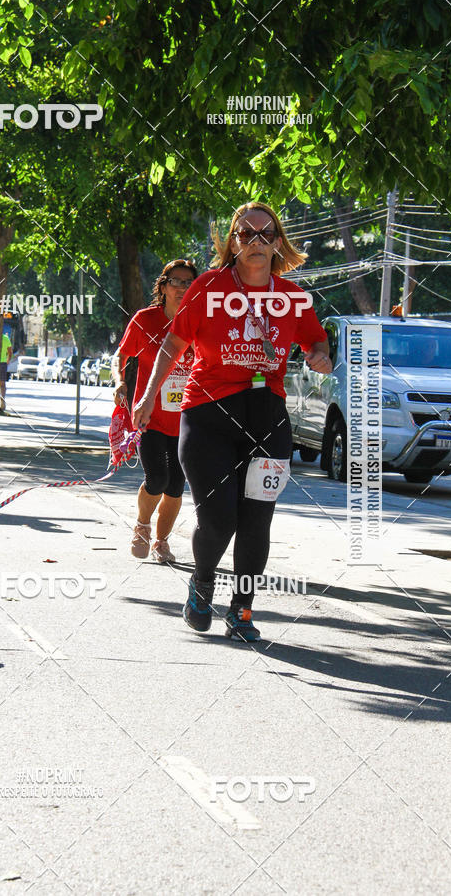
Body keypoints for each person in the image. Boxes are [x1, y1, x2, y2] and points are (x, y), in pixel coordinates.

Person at [133, 202, 330, 641]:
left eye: (265, 234)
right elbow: (173, 343)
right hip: (208, 417)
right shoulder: (208, 287)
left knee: (258, 519)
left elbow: (317, 340)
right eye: (246, 234)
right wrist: (147, 396)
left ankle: (241, 611)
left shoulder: (292, 297)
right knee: (219, 519)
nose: (256, 242)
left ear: (277, 242)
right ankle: (202, 584)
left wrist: (319, 356)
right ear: (233, 243)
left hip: (268, 421)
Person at [112, 259, 197, 562]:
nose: (183, 288)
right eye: (177, 282)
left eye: (189, 283)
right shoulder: (145, 320)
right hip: (150, 417)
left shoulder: (200, 322)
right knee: (157, 479)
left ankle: (161, 542)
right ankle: (142, 526)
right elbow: (120, 356)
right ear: (163, 286)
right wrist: (121, 382)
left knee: (176, 485)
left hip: (188, 420)